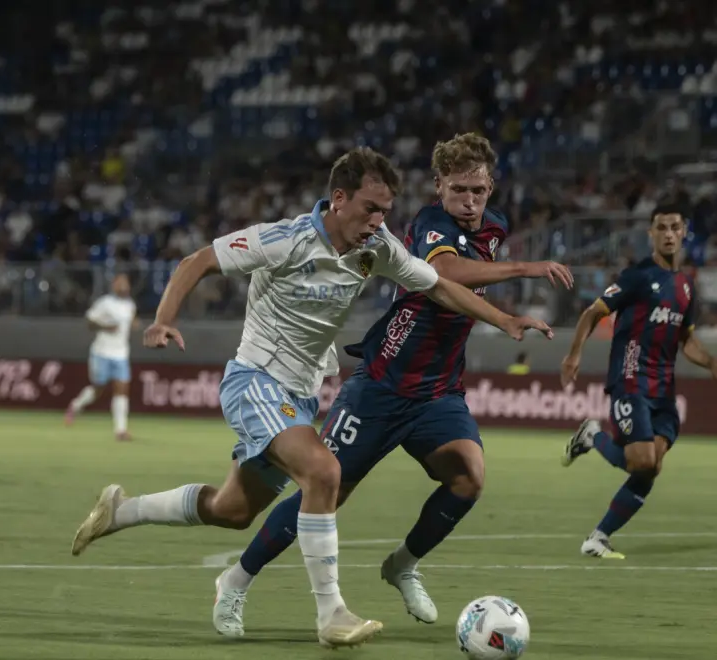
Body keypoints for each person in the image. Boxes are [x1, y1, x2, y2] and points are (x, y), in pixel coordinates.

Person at [69, 146, 551, 647]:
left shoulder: (377, 246)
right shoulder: (286, 239)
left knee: (233, 510)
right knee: (324, 472)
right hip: (254, 379)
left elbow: (438, 286)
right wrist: (164, 319)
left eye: (385, 210)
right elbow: (198, 261)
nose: (379, 221)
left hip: (300, 394)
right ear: (339, 199)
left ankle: (122, 510)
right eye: (370, 208)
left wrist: (505, 320)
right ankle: (332, 614)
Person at [212, 133, 568, 636]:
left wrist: (504, 319)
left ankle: (401, 564)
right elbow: (445, 272)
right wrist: (525, 271)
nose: (469, 201)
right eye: (460, 189)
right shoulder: (428, 225)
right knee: (326, 490)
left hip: (440, 390)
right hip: (382, 384)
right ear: (439, 185)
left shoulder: (495, 228)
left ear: (492, 190)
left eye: (480, 192)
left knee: (469, 476)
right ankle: (237, 579)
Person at [561, 203, 717, 558]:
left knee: (651, 467)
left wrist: (710, 362)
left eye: (674, 227)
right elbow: (593, 311)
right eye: (660, 227)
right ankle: (593, 435)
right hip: (630, 380)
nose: (667, 234)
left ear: (683, 232)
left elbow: (686, 339)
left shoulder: (686, 287)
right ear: (651, 233)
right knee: (643, 461)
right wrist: (574, 354)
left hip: (664, 389)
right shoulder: (637, 276)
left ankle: (598, 537)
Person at [65, 273, 139, 440]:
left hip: (121, 353)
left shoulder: (130, 305)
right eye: (120, 283)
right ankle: (76, 405)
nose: (123, 286)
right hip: (101, 352)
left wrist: (134, 324)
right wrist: (106, 327)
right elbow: (89, 322)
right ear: (114, 286)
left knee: (122, 389)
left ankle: (120, 430)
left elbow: (131, 321)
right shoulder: (105, 303)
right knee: (98, 388)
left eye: (125, 283)